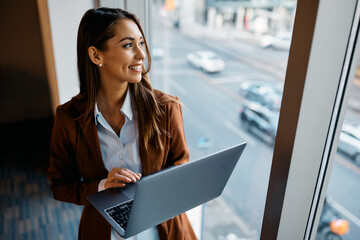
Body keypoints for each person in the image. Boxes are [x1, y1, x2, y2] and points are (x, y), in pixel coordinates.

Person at [47, 7, 197, 240]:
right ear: (96, 55)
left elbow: (181, 170)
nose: (141, 55)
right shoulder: (69, 119)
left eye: (141, 43)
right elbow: (60, 185)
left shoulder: (166, 108)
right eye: (128, 45)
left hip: (166, 232)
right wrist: (101, 186)